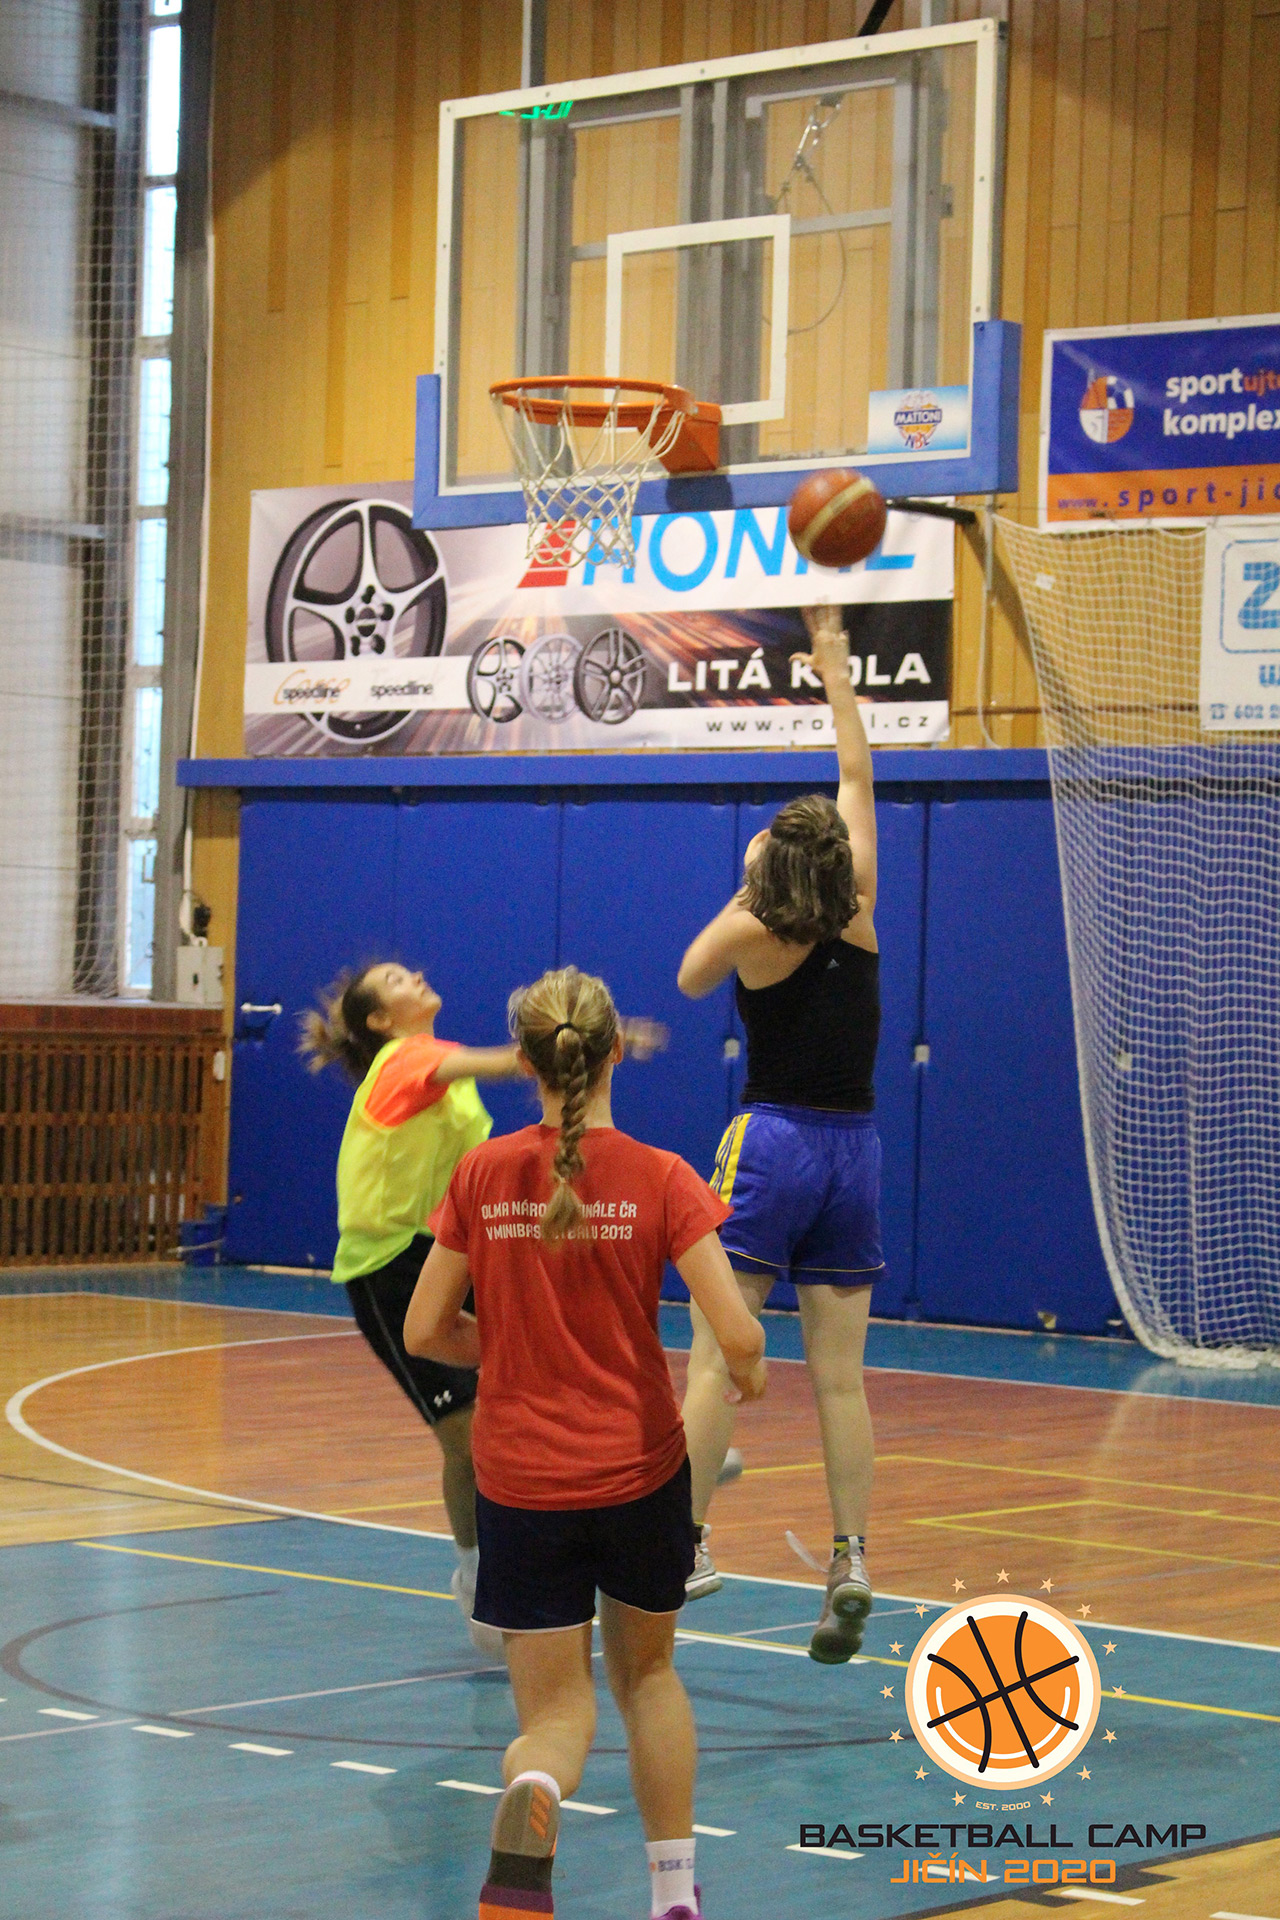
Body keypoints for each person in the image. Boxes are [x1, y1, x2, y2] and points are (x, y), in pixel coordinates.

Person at [404, 966, 766, 1920]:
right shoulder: (662, 1176)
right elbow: (737, 1333)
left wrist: (510, 1343)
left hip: (522, 1481)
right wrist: (752, 1373)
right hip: (638, 1472)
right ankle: (674, 1892)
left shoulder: (482, 1176)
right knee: (650, 1677)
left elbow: (424, 1329)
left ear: (523, 1064)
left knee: (556, 1717)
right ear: (615, 1056)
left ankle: (535, 1788)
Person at [675, 604, 882, 1665]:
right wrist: (834, 665)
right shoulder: (862, 907)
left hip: (775, 1146)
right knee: (839, 1379)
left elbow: (686, 976)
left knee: (717, 1355)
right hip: (856, 1153)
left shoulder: (755, 927)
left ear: (770, 866)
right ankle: (850, 1560)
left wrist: (746, 887)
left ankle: (684, 1543)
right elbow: (856, 767)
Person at [300, 961, 524, 1652]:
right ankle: (478, 1575)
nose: (417, 975)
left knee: (541, 1388)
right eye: (397, 979)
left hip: (451, 1253)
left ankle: (659, 1477)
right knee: (466, 1433)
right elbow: (505, 1062)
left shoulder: (445, 1075)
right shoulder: (404, 1061)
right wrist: (573, 1045)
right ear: (380, 1020)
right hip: (388, 1265)